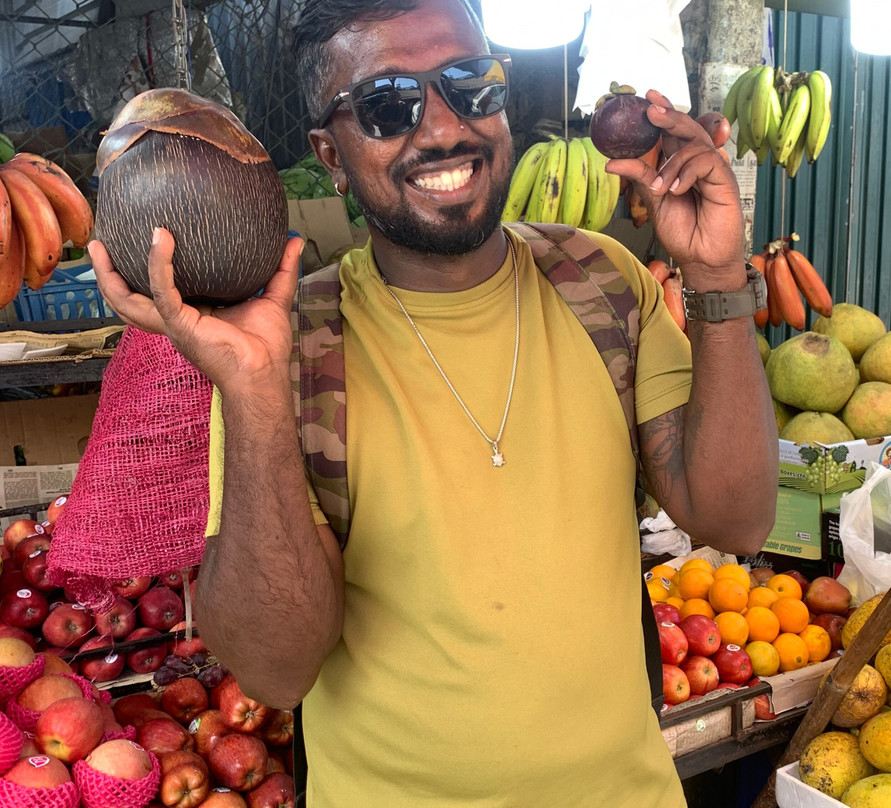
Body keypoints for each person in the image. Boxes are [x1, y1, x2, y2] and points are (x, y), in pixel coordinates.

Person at [90, 0, 778, 804]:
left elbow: (738, 519)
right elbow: (278, 669)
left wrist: (719, 279)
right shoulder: (296, 346)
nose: (445, 127)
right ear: (330, 154)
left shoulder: (602, 284)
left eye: (470, 84)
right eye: (389, 104)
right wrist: (250, 388)